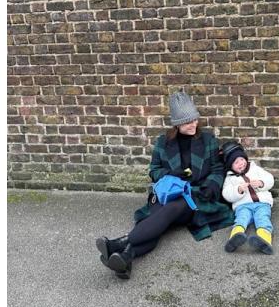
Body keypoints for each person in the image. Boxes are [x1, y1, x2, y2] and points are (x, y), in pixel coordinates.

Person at [95, 90, 234, 279]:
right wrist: (170, 174)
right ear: (177, 123)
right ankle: (126, 257)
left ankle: (116, 244)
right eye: (187, 121)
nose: (193, 124)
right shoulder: (163, 142)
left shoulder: (208, 140)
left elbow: (218, 169)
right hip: (168, 191)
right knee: (155, 222)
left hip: (195, 196)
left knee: (169, 210)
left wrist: (212, 186)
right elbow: (154, 170)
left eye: (194, 119)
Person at [220, 141, 276, 255]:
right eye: (236, 162)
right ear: (230, 166)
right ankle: (235, 238)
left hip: (262, 204)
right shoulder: (230, 178)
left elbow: (270, 178)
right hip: (243, 205)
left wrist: (261, 183)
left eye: (242, 159)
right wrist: (238, 190)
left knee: (263, 219)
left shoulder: (255, 168)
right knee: (241, 219)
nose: (241, 163)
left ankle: (264, 239)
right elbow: (226, 194)